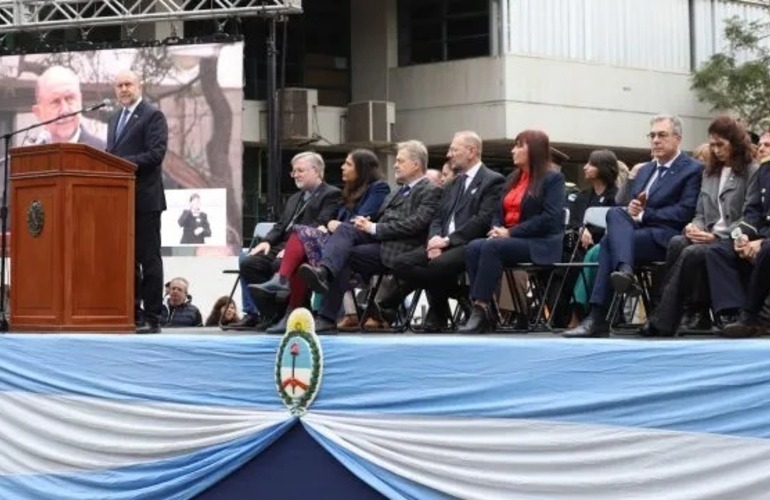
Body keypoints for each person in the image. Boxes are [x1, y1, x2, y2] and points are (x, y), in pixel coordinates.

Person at [564, 114, 702, 338]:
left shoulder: (692, 169)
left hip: (665, 235)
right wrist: (632, 210)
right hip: (635, 235)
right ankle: (624, 271)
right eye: (652, 135)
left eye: (662, 135)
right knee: (617, 214)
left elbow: (684, 212)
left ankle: (598, 316)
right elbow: (628, 205)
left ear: (678, 138)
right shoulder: (645, 170)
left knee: (610, 243)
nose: (656, 140)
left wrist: (645, 215)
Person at [298, 140, 442, 333]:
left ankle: (326, 308)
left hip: (401, 248)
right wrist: (365, 223)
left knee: (346, 252)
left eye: (400, 161)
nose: (395, 165)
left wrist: (374, 228)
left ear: (416, 164)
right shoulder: (398, 192)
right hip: (380, 241)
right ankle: (324, 273)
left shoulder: (431, 191)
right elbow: (378, 218)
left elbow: (416, 224)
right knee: (346, 230)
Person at [251, 148, 390, 332]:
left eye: (348, 163)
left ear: (362, 168)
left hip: (360, 243)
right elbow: (327, 222)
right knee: (300, 236)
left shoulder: (379, 188)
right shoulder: (346, 192)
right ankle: (289, 309)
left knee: (304, 235)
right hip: (335, 244)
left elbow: (362, 218)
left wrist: (337, 224)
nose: (342, 167)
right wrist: (330, 225)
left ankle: (299, 280)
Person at [642, 116, 757, 336]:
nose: (715, 150)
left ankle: (663, 319)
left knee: (695, 252)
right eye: (712, 145)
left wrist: (719, 237)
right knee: (678, 242)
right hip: (708, 235)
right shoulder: (709, 172)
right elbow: (700, 213)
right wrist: (694, 227)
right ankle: (695, 312)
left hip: (734, 239)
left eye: (720, 144)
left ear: (735, 143)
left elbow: (750, 217)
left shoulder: (751, 171)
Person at [387, 131, 505, 332]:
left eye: (454, 150)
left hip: (467, 244)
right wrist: (434, 238)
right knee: (399, 263)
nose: (449, 154)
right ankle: (461, 294)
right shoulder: (454, 183)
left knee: (436, 266)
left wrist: (448, 241)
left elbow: (482, 221)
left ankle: (438, 313)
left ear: (471, 151)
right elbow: (438, 217)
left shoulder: (493, 180)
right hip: (440, 242)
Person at [459, 130, 566, 333]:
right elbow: (498, 212)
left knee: (493, 248)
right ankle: (486, 310)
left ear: (533, 150)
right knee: (473, 247)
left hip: (540, 242)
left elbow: (549, 218)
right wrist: (496, 229)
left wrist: (511, 233)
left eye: (519, 146)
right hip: (508, 240)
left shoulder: (553, 179)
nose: (513, 150)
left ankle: (480, 309)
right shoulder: (512, 179)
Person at [228, 151, 342, 330]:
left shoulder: (331, 194)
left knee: (278, 265)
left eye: (300, 170)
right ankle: (272, 314)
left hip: (308, 247)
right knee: (249, 262)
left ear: (316, 171)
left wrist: (293, 247)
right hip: (282, 245)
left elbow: (321, 224)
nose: (295, 175)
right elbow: (281, 226)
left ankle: (296, 311)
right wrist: (266, 241)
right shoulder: (294, 198)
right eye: (293, 171)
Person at [106, 70, 168, 334]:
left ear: (139, 85)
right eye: (119, 85)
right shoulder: (113, 118)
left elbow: (156, 154)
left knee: (148, 259)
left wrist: (121, 164)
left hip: (145, 199)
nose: (123, 89)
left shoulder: (153, 115)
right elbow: (111, 154)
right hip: (121, 200)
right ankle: (132, 312)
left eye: (128, 84)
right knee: (126, 261)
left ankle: (153, 317)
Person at [704, 145, 770, 338]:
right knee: (717, 251)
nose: (761, 149)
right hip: (760, 234)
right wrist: (741, 237)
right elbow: (753, 213)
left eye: (768, 145)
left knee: (767, 249)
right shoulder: (765, 170)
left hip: (766, 242)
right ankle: (732, 314)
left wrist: (763, 242)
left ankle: (750, 316)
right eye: (762, 145)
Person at [563, 149, 619, 327]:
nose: (586, 167)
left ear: (603, 168)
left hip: (603, 245)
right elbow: (573, 220)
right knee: (562, 262)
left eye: (591, 164)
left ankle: (578, 313)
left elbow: (615, 222)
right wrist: (581, 229)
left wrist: (590, 230)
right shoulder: (583, 195)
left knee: (589, 259)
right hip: (578, 245)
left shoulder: (616, 196)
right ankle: (560, 312)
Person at [32, 65, 105, 149]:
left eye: (70, 98)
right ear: (38, 113)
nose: (65, 110)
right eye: (55, 102)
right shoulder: (29, 158)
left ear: (80, 101)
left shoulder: (105, 154)